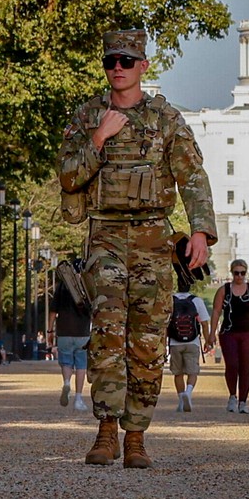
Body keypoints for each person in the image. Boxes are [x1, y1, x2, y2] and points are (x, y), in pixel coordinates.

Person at [58, 29, 216, 469]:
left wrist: (200, 231)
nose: (119, 68)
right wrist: (98, 140)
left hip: (152, 237)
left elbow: (193, 177)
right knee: (108, 333)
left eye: (127, 61)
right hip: (105, 235)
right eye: (112, 61)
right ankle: (106, 429)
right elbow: (69, 177)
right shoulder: (89, 116)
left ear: (144, 66)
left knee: (147, 340)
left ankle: (136, 435)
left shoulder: (165, 119)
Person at [212, 260, 249, 412]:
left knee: (245, 367)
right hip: (229, 332)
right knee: (232, 365)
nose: (239, 276)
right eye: (237, 273)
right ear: (232, 273)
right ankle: (232, 396)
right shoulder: (224, 290)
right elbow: (216, 311)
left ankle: (243, 401)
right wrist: (212, 333)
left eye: (242, 273)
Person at [165, 271, 214, 412]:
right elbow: (204, 323)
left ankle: (181, 400)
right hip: (193, 341)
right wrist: (207, 340)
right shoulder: (196, 301)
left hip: (175, 342)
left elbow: (165, 325)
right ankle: (188, 392)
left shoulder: (171, 300)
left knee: (177, 373)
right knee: (193, 372)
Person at [51, 273, 92, 412]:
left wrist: (50, 330)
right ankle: (78, 398)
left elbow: (52, 311)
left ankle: (67, 383)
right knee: (81, 365)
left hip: (64, 331)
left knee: (66, 362)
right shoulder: (87, 286)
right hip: (82, 332)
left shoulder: (62, 287)